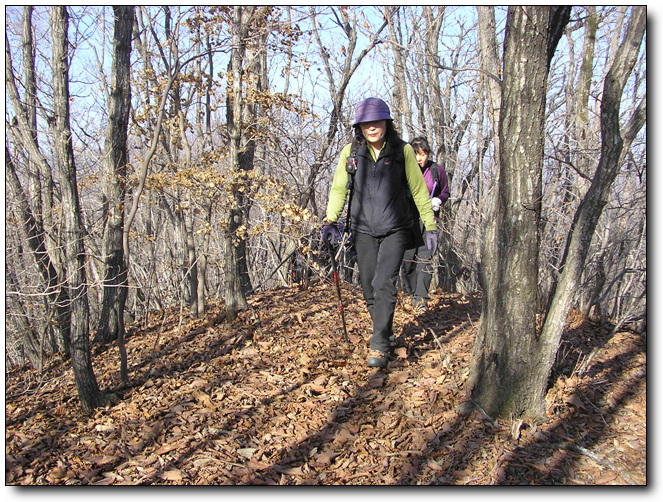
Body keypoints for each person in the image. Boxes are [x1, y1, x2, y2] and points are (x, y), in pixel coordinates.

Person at [321, 98, 437, 368]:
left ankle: (379, 346)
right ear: (359, 126)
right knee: (369, 287)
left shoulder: (402, 150)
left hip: (395, 228)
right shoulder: (351, 152)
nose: (372, 127)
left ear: (387, 123)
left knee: (384, 283)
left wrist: (429, 225)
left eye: (377, 122)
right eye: (366, 123)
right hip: (362, 229)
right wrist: (330, 220)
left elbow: (419, 189)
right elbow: (339, 188)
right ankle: (385, 331)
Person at [401, 136, 450, 312]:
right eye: (416, 155)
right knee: (407, 260)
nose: (419, 158)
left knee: (425, 259)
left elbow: (445, 191)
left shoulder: (436, 170)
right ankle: (409, 292)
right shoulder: (404, 170)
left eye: (423, 154)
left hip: (429, 221)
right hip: (408, 220)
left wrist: (438, 200)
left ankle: (420, 300)